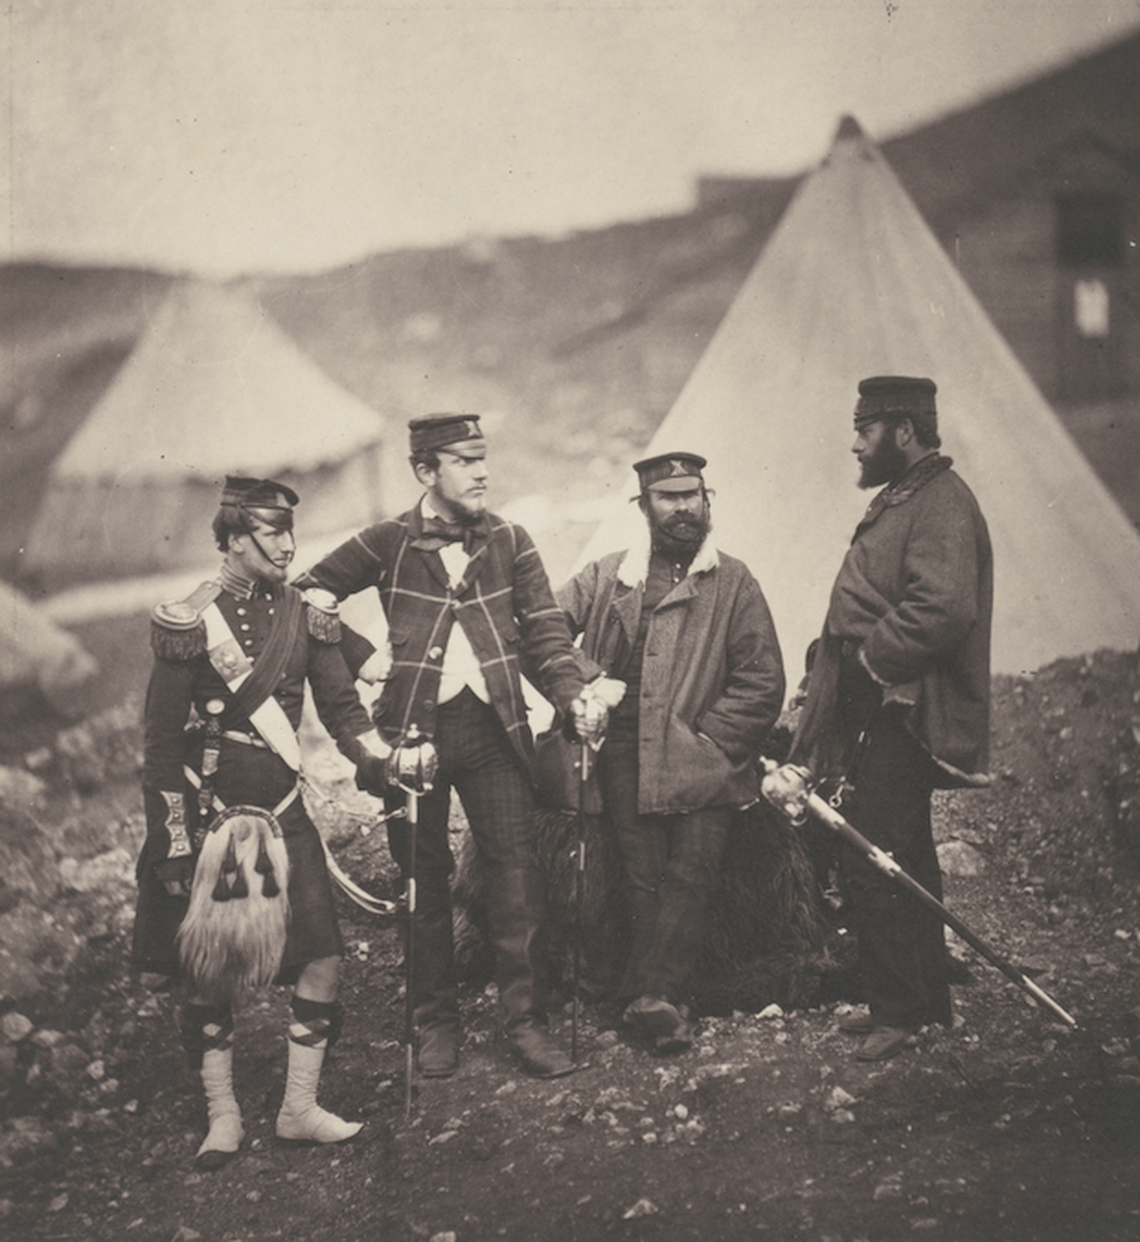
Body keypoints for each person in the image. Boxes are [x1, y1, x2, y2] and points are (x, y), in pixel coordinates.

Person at [293, 413, 611, 1081]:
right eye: (464, 461)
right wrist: (362, 655)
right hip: (410, 742)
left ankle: (526, 1022)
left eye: (483, 458)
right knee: (422, 884)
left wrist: (573, 692)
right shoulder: (386, 541)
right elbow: (305, 598)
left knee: (516, 877)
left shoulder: (510, 539)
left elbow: (547, 633)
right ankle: (433, 1023)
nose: (482, 472)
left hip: (495, 734)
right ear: (425, 472)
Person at [133, 476, 388, 1166]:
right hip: (216, 820)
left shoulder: (307, 612)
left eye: (288, 531)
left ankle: (298, 1110)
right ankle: (223, 1117)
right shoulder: (191, 621)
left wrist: (377, 760)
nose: (287, 545)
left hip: (284, 814)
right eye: (271, 534)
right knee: (208, 971)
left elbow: (342, 712)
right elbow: (158, 746)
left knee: (324, 960)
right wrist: (176, 843)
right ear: (234, 539)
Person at [787, 376, 993, 1062]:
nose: (855, 443)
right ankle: (923, 1000)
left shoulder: (941, 503)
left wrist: (872, 661)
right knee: (904, 848)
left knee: (871, 850)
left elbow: (944, 607)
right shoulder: (911, 496)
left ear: (903, 430)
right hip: (873, 702)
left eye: (865, 430)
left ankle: (899, 1012)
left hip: (899, 708)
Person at [557, 452, 786, 1052]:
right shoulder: (609, 576)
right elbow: (543, 632)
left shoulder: (733, 581)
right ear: (644, 507)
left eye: (693, 496)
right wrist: (588, 682)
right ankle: (658, 1001)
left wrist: (712, 742)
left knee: (694, 869)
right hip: (624, 751)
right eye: (669, 497)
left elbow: (762, 681)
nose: (684, 508)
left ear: (708, 502)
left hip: (700, 754)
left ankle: (649, 998)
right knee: (642, 876)